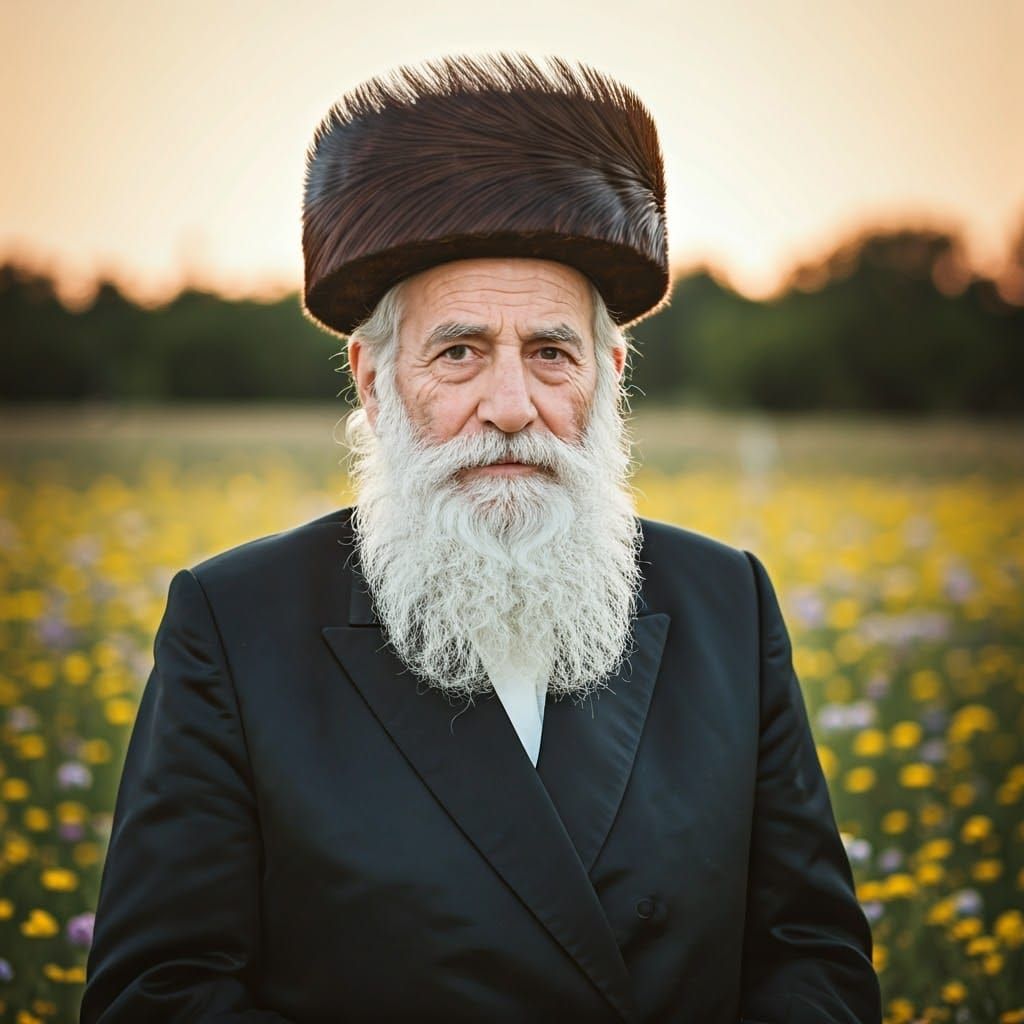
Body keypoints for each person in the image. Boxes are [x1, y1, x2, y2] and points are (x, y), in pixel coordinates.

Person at [81, 53, 881, 1023]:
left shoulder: (725, 603)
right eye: (458, 352)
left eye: (550, 353)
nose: (511, 406)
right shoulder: (235, 623)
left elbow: (810, 955)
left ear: (608, 377)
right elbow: (158, 994)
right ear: (376, 384)